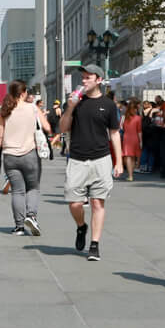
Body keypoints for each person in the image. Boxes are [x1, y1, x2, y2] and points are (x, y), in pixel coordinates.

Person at [58, 63, 122, 263]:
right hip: (77, 158)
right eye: (83, 77)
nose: (84, 81)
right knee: (75, 202)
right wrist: (70, 108)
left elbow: (114, 134)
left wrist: (118, 161)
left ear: (99, 80)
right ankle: (81, 226)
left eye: (88, 77)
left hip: (101, 158)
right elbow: (62, 128)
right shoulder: (76, 102)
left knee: (97, 202)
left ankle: (94, 244)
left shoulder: (109, 105)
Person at [0, 81, 52, 237]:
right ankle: (31, 216)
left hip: (10, 156)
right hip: (30, 154)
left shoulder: (4, 110)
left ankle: (19, 226)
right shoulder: (32, 108)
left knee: (17, 191)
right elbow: (47, 127)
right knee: (33, 188)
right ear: (23, 93)